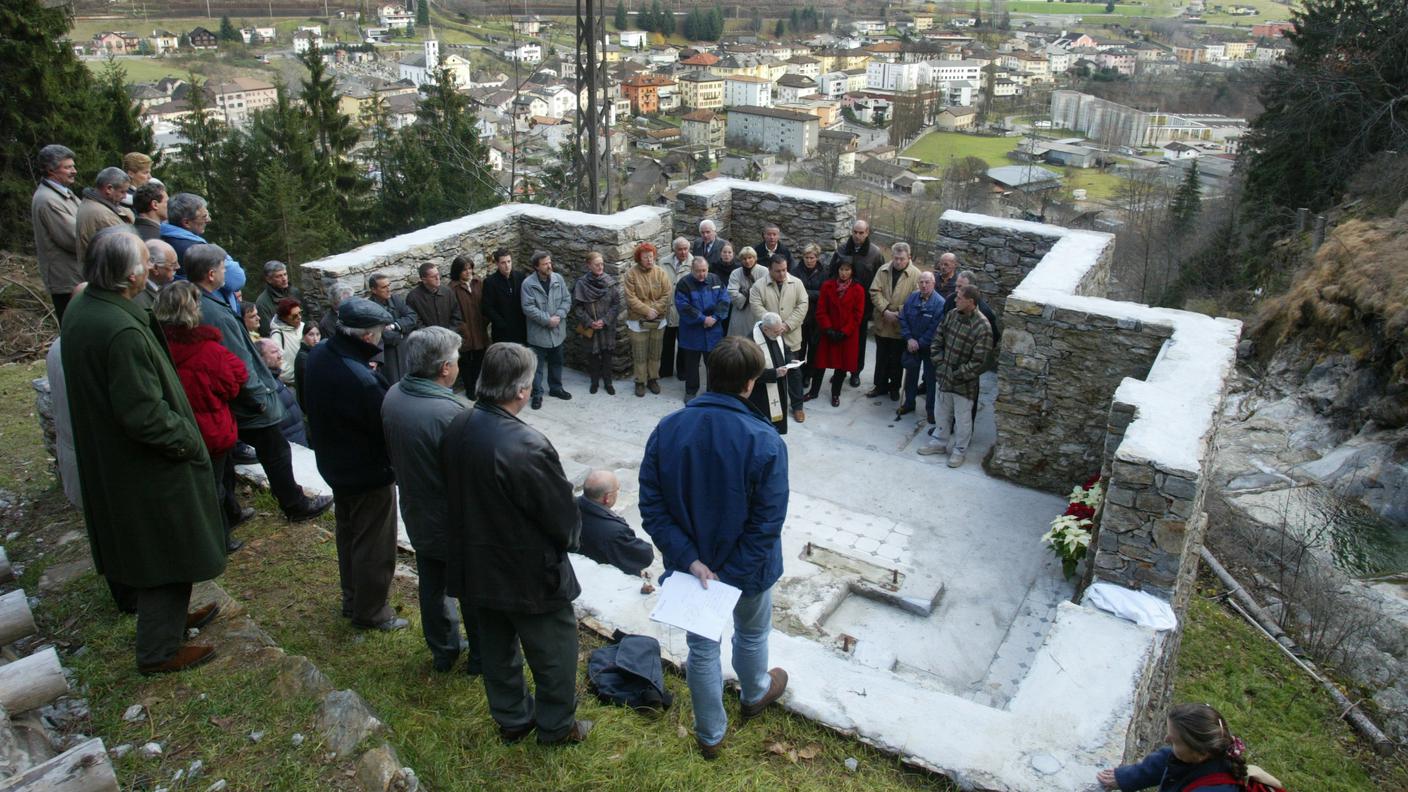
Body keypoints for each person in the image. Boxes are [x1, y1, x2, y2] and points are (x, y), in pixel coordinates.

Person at [61, 228, 225, 673]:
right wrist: (188, 441)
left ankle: (170, 624)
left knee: (163, 546)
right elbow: (143, 414)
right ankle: (159, 649)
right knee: (165, 546)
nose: (152, 272)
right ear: (131, 275)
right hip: (146, 465)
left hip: (117, 457)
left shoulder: (86, 306)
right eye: (146, 265)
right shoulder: (120, 330)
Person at [639, 335, 790, 758]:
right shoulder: (765, 440)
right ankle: (755, 692)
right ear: (751, 383)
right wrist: (733, 574)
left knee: (702, 647)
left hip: (694, 570)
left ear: (708, 372)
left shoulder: (668, 428)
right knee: (753, 630)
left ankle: (710, 735)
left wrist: (690, 560)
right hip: (749, 570)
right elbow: (767, 522)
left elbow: (652, 505)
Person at [442, 342, 592, 745]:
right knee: (554, 654)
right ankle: (556, 727)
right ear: (523, 391)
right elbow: (561, 519)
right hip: (528, 573)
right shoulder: (526, 445)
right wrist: (573, 538)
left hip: (474, 563)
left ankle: (511, 718)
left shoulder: (458, 423)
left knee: (494, 648)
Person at [186, 244, 332, 523]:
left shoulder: (203, 300)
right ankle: (295, 505)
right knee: (276, 450)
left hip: (230, 398)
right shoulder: (213, 310)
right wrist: (258, 396)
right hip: (246, 398)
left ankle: (230, 511)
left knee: (230, 460)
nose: (226, 272)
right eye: (222, 267)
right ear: (211, 273)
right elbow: (237, 358)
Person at [382, 327, 482, 673]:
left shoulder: (394, 393)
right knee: (471, 590)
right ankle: (481, 657)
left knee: (433, 583)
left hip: (416, 509)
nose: (457, 366)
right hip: (454, 519)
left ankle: (443, 649)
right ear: (444, 368)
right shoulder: (451, 414)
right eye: (455, 361)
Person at [304, 297, 408, 632]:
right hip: (368, 472)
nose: (380, 338)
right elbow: (386, 429)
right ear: (366, 337)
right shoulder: (363, 381)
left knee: (349, 535)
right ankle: (371, 612)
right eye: (378, 333)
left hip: (334, 464)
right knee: (374, 545)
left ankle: (352, 598)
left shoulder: (319, 354)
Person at [155, 281, 248, 554]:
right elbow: (235, 380)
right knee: (213, 486)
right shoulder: (207, 350)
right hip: (211, 427)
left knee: (206, 483)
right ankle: (220, 539)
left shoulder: (156, 343)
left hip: (178, 425)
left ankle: (228, 518)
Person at [1096, 703, 1281, 792]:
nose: (1166, 739)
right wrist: (1126, 777)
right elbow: (1166, 759)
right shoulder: (1203, 755)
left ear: (1200, 754)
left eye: (1175, 740)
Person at [918, 285, 992, 467]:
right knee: (941, 413)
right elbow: (938, 339)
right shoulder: (951, 314)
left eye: (959, 297)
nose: (955, 300)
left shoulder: (983, 327)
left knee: (963, 419)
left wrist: (958, 374)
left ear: (971, 302)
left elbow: (980, 361)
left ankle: (959, 451)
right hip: (944, 377)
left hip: (964, 384)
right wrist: (940, 364)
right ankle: (939, 443)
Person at [162, 193, 246, 314]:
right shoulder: (191, 247)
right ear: (186, 223)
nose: (209, 220)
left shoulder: (165, 236)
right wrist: (227, 258)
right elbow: (236, 279)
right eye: (204, 216)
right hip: (208, 311)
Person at [753, 255, 809, 423]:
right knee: (771, 371)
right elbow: (756, 306)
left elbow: (803, 304)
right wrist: (773, 325)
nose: (782, 273)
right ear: (769, 269)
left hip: (791, 336)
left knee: (794, 372)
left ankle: (798, 406)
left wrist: (787, 325)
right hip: (768, 339)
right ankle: (771, 406)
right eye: (778, 271)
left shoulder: (797, 283)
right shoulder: (758, 286)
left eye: (785, 269)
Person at [829, 220, 885, 387]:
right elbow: (832, 273)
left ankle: (855, 372)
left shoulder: (875, 254)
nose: (858, 236)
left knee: (858, 342)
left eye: (861, 232)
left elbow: (880, 279)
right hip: (840, 306)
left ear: (867, 233)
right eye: (855, 232)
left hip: (862, 308)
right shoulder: (841, 251)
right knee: (840, 340)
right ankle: (840, 370)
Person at [31, 144, 83, 323]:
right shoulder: (48, 199)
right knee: (75, 328)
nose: (74, 171)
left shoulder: (63, 193)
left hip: (75, 276)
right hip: (67, 281)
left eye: (73, 166)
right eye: (68, 167)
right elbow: (73, 238)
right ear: (51, 170)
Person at [866, 241, 921, 401]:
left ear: (908, 257)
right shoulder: (882, 270)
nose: (898, 261)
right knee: (881, 356)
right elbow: (874, 291)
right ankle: (879, 385)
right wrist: (885, 310)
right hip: (883, 321)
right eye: (895, 258)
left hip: (900, 324)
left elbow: (916, 299)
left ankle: (894, 387)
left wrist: (898, 312)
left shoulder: (916, 275)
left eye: (901, 259)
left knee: (897, 358)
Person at [809, 259, 867, 407]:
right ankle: (813, 391)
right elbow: (821, 310)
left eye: (847, 270)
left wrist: (844, 332)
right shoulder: (827, 286)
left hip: (846, 335)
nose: (844, 273)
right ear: (837, 270)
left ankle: (835, 394)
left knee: (841, 366)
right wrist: (828, 329)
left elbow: (857, 315)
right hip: (828, 332)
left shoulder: (858, 289)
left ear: (852, 271)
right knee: (820, 363)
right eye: (841, 269)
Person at [521, 250, 573, 409]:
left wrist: (558, 315)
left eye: (550, 262)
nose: (549, 266)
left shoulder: (558, 279)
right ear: (536, 267)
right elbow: (528, 307)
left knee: (557, 362)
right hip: (539, 335)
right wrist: (547, 320)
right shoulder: (528, 284)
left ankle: (556, 388)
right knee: (536, 368)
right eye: (545, 264)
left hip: (557, 332)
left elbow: (566, 299)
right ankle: (537, 394)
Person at [674, 255, 730, 402]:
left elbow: (724, 301)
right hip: (692, 332)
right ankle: (691, 391)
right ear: (692, 269)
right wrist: (703, 319)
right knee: (691, 365)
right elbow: (683, 307)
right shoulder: (684, 284)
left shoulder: (716, 280)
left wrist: (715, 318)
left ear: (708, 269)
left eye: (704, 270)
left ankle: (713, 392)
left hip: (713, 331)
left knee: (713, 364)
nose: (701, 274)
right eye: (698, 271)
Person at [576, 470, 653, 576]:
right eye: (617, 490)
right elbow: (644, 556)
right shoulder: (615, 532)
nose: (618, 493)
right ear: (607, 498)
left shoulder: (571, 507)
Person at [623, 242, 672, 397]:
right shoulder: (631, 274)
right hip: (637, 320)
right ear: (639, 258)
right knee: (640, 353)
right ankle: (639, 381)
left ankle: (653, 379)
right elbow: (631, 298)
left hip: (657, 320)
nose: (649, 260)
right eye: (646, 257)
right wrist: (646, 310)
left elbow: (667, 293)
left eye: (651, 257)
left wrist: (655, 310)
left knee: (655, 352)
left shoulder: (660, 272)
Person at [571, 251, 621, 395]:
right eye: (596, 265)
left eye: (602, 264)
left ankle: (608, 382)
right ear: (588, 265)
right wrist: (589, 321)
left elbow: (616, 304)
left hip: (606, 327)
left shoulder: (610, 283)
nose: (600, 267)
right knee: (592, 357)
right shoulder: (581, 284)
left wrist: (605, 321)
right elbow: (578, 306)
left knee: (607, 355)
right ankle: (594, 382)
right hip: (590, 326)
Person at [898, 271, 944, 423]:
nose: (924, 285)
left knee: (930, 380)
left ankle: (931, 410)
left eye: (927, 282)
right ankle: (909, 403)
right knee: (911, 375)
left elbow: (935, 328)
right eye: (921, 282)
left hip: (929, 348)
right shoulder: (912, 298)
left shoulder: (939, 303)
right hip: (912, 345)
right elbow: (903, 318)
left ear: (933, 283)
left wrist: (920, 342)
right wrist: (909, 338)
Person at [75, 167, 134, 270]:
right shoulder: (103, 215)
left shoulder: (91, 203)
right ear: (109, 189)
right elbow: (128, 246)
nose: (125, 197)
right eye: (122, 192)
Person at [366, 272, 419, 384]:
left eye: (389, 285)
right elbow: (382, 334)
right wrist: (402, 334)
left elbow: (412, 317)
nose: (388, 289)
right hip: (388, 357)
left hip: (404, 352)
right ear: (374, 290)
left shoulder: (395, 299)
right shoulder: (369, 309)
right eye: (384, 287)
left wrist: (395, 325)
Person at [448, 254, 488, 398]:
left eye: (470, 268)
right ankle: (470, 388)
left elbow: (485, 303)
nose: (468, 272)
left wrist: (484, 320)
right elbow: (452, 312)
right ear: (458, 271)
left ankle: (478, 385)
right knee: (465, 362)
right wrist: (461, 328)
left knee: (479, 358)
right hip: (463, 332)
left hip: (479, 328)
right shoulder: (452, 289)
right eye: (464, 270)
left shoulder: (478, 283)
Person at [256, 338, 308, 448]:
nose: (280, 355)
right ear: (260, 357)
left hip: (297, 440)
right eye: (274, 352)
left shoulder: (275, 378)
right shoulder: (264, 385)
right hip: (289, 446)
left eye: (279, 351)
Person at [749, 313, 795, 435]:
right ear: (765, 329)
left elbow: (786, 350)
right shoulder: (751, 342)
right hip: (761, 393)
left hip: (779, 386)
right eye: (776, 332)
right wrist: (774, 373)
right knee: (764, 425)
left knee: (777, 424)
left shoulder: (775, 332)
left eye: (780, 330)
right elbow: (749, 372)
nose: (780, 334)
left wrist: (790, 360)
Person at [791, 243, 826, 401]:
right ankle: (797, 374)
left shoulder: (824, 272)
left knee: (814, 348)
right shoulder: (796, 271)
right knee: (799, 347)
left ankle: (808, 375)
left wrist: (806, 293)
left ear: (817, 258)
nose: (809, 260)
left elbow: (825, 294)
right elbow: (793, 291)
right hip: (800, 316)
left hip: (817, 317)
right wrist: (812, 295)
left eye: (812, 257)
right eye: (806, 257)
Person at [662, 237, 694, 379]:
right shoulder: (663, 262)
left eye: (685, 249)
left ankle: (683, 371)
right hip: (667, 309)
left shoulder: (694, 264)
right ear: (674, 249)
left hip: (685, 311)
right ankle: (665, 370)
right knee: (667, 342)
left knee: (684, 343)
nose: (683, 252)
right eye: (680, 249)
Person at [482, 248, 528, 344]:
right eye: (503, 263)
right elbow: (486, 307)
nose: (507, 266)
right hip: (502, 332)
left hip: (521, 329)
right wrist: (501, 323)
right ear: (497, 264)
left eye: (509, 261)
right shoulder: (490, 282)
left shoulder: (520, 276)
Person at [405, 261, 459, 331]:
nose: (438, 278)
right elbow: (415, 322)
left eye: (438, 274)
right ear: (424, 280)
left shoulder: (447, 292)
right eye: (433, 276)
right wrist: (432, 336)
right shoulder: (413, 298)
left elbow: (456, 314)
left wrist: (450, 332)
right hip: (428, 339)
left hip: (449, 335)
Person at [255, 261, 303, 336]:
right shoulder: (262, 303)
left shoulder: (295, 292)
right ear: (269, 280)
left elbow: (305, 316)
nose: (284, 279)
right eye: (278, 276)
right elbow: (267, 332)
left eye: (285, 274)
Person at [726, 246, 763, 337]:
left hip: (758, 311)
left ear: (755, 258)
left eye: (750, 258)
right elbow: (731, 292)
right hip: (740, 313)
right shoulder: (735, 273)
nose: (747, 261)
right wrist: (745, 297)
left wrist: (748, 292)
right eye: (744, 258)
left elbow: (766, 291)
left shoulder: (764, 271)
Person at [133, 239, 178, 311]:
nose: (178, 267)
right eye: (173, 264)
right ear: (155, 268)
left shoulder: (159, 287)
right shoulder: (139, 300)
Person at [267, 298, 304, 384]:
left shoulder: (303, 326)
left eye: (300, 313)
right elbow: (279, 365)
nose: (299, 317)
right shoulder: (277, 335)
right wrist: (298, 376)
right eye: (295, 316)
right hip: (293, 384)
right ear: (284, 317)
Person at [294, 322, 320, 412]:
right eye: (311, 335)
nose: (315, 339)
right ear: (304, 336)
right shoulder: (303, 357)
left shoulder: (315, 353)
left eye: (317, 334)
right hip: (309, 406)